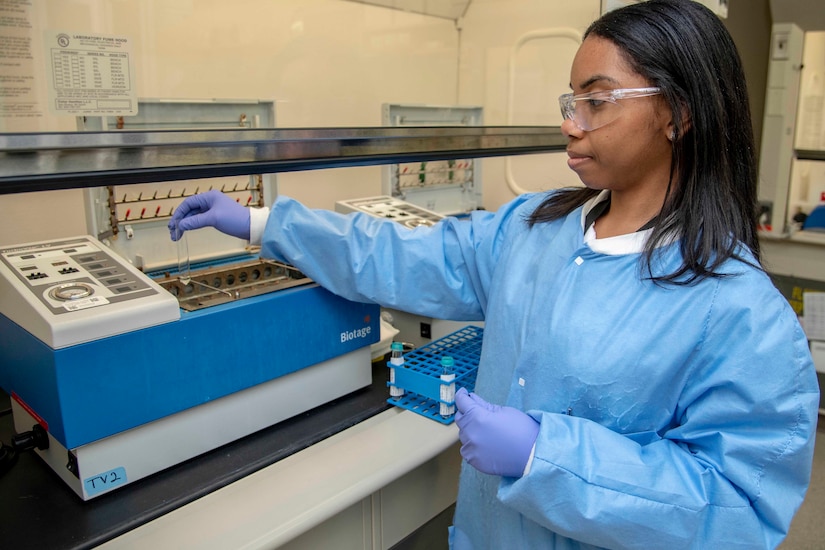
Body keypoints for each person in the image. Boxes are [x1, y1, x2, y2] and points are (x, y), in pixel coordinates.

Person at [169, 1, 819, 547]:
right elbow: (402, 254)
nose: (569, 124)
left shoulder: (739, 311)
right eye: (571, 101)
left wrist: (546, 455)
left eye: (596, 101)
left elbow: (737, 511)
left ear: (678, 113)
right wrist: (261, 225)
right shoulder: (533, 228)